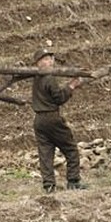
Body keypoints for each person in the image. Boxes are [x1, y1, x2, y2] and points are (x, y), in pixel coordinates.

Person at [30, 47, 85, 192]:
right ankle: (73, 181)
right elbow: (59, 98)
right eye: (46, 59)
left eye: (50, 58)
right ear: (39, 63)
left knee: (46, 153)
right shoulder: (49, 78)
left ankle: (49, 185)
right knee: (71, 148)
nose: (50, 62)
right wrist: (71, 86)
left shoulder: (36, 78)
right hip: (52, 118)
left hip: (39, 120)